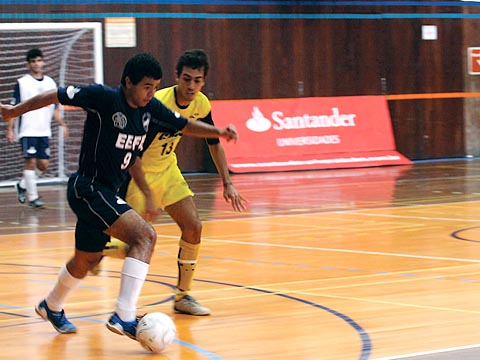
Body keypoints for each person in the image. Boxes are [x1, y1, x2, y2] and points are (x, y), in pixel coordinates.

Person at [0, 52, 238, 338]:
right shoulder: (103, 97)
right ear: (128, 82)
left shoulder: (150, 110)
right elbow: (55, 95)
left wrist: (219, 131)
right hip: (88, 187)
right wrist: (15, 112)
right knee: (145, 236)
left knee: (87, 259)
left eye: (155, 86)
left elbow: (184, 125)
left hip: (106, 192)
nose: (152, 93)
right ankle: (123, 316)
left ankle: (51, 305)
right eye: (147, 86)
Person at [104, 49, 247, 316]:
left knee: (193, 227)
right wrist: (143, 191)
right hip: (139, 173)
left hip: (168, 170)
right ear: (177, 77)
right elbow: (132, 150)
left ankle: (183, 296)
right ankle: (101, 254)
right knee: (135, 243)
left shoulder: (201, 104)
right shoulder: (156, 101)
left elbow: (213, 143)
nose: (191, 86)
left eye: (197, 80)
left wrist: (227, 182)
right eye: (187, 79)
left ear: (204, 81)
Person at [6, 48, 68, 208]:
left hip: (43, 130)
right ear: (28, 64)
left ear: (43, 62)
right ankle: (33, 198)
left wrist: (62, 124)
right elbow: (13, 108)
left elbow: (54, 108)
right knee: (31, 162)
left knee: (43, 166)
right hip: (27, 130)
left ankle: (22, 185)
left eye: (39, 60)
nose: (36, 64)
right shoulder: (22, 82)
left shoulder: (49, 83)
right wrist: (10, 129)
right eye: (33, 61)